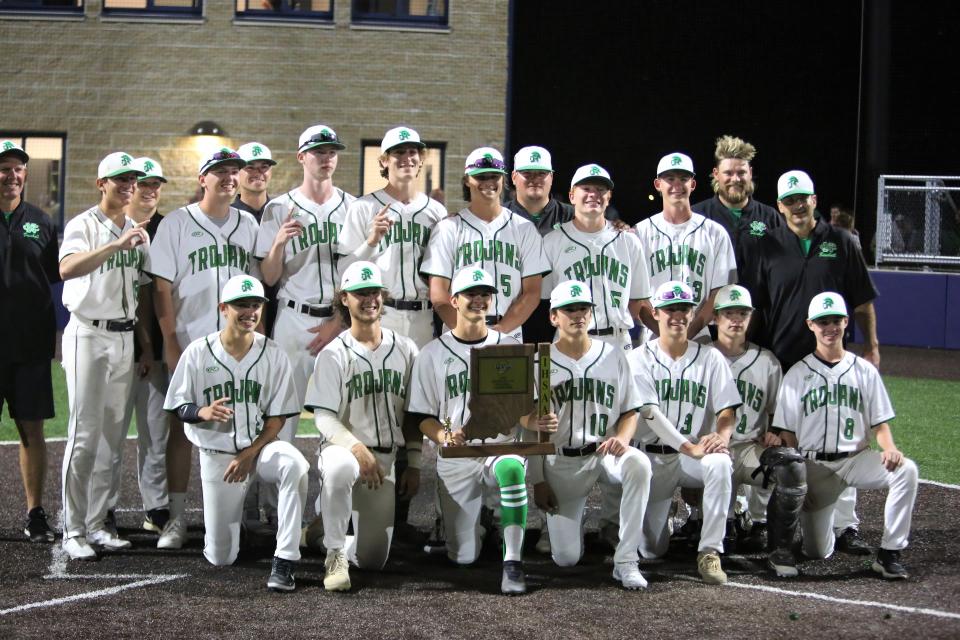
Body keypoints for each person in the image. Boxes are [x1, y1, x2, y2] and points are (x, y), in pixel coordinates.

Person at [737, 170, 880, 553]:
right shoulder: (767, 245)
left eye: (803, 198)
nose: (797, 205)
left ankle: (846, 525)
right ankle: (761, 518)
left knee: (842, 437)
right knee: (772, 438)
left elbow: (863, 300)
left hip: (833, 358)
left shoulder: (842, 242)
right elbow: (758, 304)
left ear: (814, 199)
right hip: (782, 356)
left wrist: (873, 347)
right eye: (789, 200)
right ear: (779, 206)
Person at [164, 275, 308, 591]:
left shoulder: (273, 352)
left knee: (295, 465)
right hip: (219, 458)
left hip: (260, 449)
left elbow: (277, 418)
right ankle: (235, 527)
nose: (250, 312)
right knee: (220, 557)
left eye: (255, 305)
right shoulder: (198, 352)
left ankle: (284, 561)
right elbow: (177, 405)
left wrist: (249, 454)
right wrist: (201, 412)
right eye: (242, 305)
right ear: (224, 308)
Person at [147, 147, 260, 550]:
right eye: (220, 172)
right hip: (192, 341)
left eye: (234, 172)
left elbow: (258, 286)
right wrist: (170, 341)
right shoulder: (177, 223)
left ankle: (237, 516)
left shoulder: (248, 224)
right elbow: (160, 289)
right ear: (203, 179)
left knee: (241, 426)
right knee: (182, 428)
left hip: (237, 347)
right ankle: (175, 519)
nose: (229, 178)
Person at [774, 292, 918, 579]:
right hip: (816, 466)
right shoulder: (797, 374)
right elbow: (787, 432)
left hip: (856, 459)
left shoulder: (864, 371)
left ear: (846, 322)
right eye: (822, 321)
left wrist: (890, 447)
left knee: (906, 471)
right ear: (810, 325)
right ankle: (817, 535)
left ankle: (889, 553)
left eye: (836, 321)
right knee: (817, 552)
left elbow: (880, 424)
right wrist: (797, 471)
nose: (830, 328)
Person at [407, 267, 532, 594]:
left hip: (499, 446)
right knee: (463, 557)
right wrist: (443, 436)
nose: (478, 300)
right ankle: (482, 519)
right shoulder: (432, 354)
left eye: (484, 294)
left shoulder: (509, 346)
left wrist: (537, 422)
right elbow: (421, 416)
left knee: (511, 470)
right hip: (457, 455)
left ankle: (513, 563)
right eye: (470, 294)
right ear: (454, 300)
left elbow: (523, 410)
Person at [526, 281, 653, 589]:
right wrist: (538, 480)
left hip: (605, 451)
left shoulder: (613, 355)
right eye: (570, 310)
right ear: (554, 317)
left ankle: (626, 561)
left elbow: (629, 411)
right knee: (566, 558)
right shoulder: (539, 360)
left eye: (584, 308)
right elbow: (526, 424)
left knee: (639, 465)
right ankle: (574, 518)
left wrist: (623, 438)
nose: (578, 315)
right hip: (562, 462)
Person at [303, 261, 420, 592]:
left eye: (374, 293)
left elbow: (413, 414)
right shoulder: (333, 354)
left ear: (383, 297)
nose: (369, 299)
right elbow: (323, 417)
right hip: (343, 452)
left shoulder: (406, 349)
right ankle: (336, 556)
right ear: (344, 299)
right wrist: (357, 449)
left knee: (372, 559)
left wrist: (412, 461)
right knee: (340, 470)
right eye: (360, 294)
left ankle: (320, 533)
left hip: (383, 463)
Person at [58, 152, 150, 559]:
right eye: (119, 179)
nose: (128, 185)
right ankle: (72, 528)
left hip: (124, 337)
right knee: (84, 435)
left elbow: (141, 290)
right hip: (88, 334)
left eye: (132, 179)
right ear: (101, 184)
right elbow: (67, 269)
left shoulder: (136, 228)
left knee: (114, 437)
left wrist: (144, 344)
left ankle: (97, 523)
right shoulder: (83, 224)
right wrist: (115, 245)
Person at [627, 281, 741, 585]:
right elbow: (650, 414)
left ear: (693, 314)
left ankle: (710, 552)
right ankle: (666, 511)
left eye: (684, 309)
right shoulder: (638, 358)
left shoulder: (710, 357)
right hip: (655, 458)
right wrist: (688, 447)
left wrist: (722, 438)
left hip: (695, 454)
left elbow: (728, 410)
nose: (677, 315)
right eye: (670, 309)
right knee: (652, 551)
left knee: (720, 462)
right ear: (656, 313)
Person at [94, 157, 171, 537]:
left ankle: (155, 507)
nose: (151, 190)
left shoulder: (171, 227)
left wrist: (158, 345)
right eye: (145, 184)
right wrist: (143, 345)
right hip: (120, 342)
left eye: (157, 184)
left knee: (155, 433)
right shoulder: (111, 228)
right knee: (112, 430)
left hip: (157, 348)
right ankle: (104, 507)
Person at [709, 284, 806, 577]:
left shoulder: (766, 361)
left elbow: (780, 411)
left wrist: (775, 432)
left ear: (751, 318)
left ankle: (775, 540)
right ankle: (715, 527)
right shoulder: (700, 356)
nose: (735, 320)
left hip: (751, 448)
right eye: (728, 313)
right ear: (715, 318)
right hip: (712, 450)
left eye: (742, 313)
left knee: (788, 465)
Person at [421, 146, 549, 343]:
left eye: (494, 176)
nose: (488, 182)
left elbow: (532, 292)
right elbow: (438, 294)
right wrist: (467, 331)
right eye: (481, 176)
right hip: (457, 333)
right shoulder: (448, 228)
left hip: (508, 333)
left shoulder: (524, 229)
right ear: (467, 180)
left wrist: (500, 331)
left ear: (504, 179)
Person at [0, 140, 60, 544]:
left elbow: (53, 283)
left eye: (18, 168)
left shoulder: (42, 221)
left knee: (31, 431)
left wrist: (55, 337)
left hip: (30, 346)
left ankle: (35, 512)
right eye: (3, 168)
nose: (11, 175)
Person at [339, 126, 446, 348]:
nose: (407, 158)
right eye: (398, 152)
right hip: (381, 313)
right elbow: (343, 271)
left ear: (421, 160)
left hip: (423, 317)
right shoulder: (362, 207)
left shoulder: (436, 212)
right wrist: (371, 241)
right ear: (384, 161)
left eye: (412, 152)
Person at [542, 163, 651, 350]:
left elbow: (638, 301)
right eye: (586, 188)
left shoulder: (628, 241)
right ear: (572, 196)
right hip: (569, 342)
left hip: (617, 341)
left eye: (601, 189)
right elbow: (543, 297)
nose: (593, 194)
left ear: (609, 197)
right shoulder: (552, 242)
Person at [635, 153, 736, 341]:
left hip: (699, 335)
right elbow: (635, 294)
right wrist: (663, 333)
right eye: (670, 179)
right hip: (652, 336)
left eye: (683, 179)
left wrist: (689, 333)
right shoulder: (640, 232)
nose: (677, 185)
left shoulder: (715, 233)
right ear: (658, 184)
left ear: (693, 184)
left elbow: (720, 293)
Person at [692, 135, 781, 252]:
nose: (735, 179)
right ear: (716, 174)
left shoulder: (770, 217)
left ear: (750, 173)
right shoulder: (697, 215)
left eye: (741, 172)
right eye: (728, 173)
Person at [235, 142, 276, 223]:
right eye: (250, 167)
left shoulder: (282, 213)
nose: (258, 173)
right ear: (237, 172)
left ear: (270, 171)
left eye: (264, 167)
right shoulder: (226, 216)